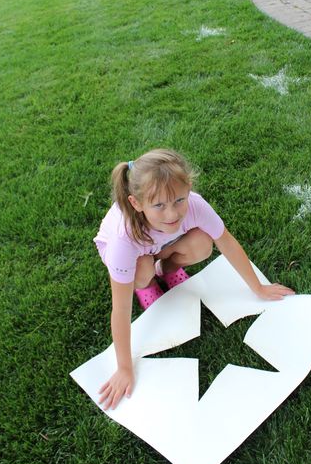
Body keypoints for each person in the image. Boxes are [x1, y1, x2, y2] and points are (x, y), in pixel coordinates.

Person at [94, 149, 294, 411]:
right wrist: (124, 367)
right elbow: (120, 309)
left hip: (162, 244)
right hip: (137, 257)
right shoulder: (124, 239)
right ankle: (148, 284)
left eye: (179, 200)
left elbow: (226, 242)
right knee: (142, 269)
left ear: (188, 189)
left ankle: (167, 268)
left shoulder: (195, 206)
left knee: (202, 244)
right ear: (136, 203)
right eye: (159, 205)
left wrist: (257, 286)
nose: (172, 214)